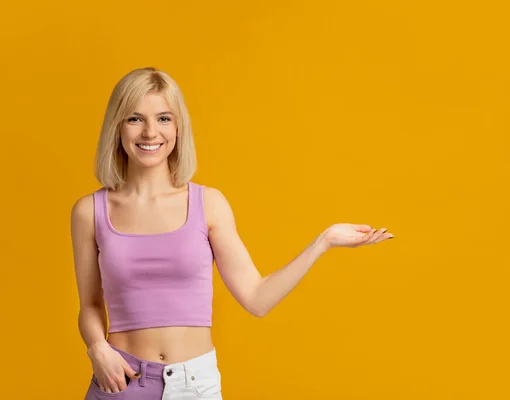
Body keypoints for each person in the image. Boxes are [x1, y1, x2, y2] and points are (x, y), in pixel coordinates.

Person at [70, 67, 394, 400]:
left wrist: (323, 241)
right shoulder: (89, 212)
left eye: (164, 118)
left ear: (179, 127)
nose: (151, 132)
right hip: (122, 381)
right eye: (135, 119)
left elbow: (257, 298)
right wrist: (96, 347)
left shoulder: (208, 204)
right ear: (117, 127)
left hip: (194, 385)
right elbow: (91, 305)